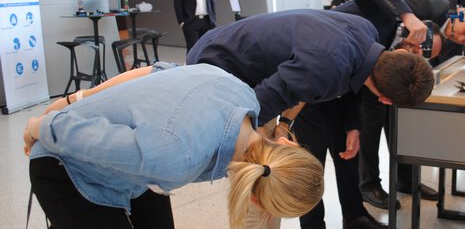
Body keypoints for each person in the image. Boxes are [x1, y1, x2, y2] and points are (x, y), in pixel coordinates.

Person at [187, 9, 435, 228]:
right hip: (217, 67)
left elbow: (303, 86)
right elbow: (249, 111)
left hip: (234, 53)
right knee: (264, 181)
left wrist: (283, 127)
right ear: (387, 101)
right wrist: (262, 147)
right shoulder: (329, 68)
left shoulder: (366, 32)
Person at [24, 63, 325, 229]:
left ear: (285, 143)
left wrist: (76, 98)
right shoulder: (177, 157)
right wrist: (39, 125)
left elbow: (152, 70)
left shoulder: (242, 93)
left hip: (134, 165)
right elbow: (82, 137)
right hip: (65, 166)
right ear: (258, 204)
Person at [333, 0, 447, 211]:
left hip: (388, 73)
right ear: (420, 31)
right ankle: (369, 185)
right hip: (350, 67)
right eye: (421, 51)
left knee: (402, 124)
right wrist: (407, 14)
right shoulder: (391, 14)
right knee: (369, 126)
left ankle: (406, 180)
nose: (419, 57)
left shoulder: (406, 57)